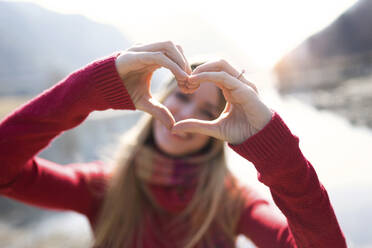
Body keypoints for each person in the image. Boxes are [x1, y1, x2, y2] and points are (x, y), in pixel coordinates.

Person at [0, 41, 346, 248]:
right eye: (182, 96)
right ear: (158, 98)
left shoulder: (233, 203)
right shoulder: (102, 187)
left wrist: (274, 147)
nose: (187, 114)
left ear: (218, 132)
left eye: (208, 111)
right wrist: (90, 90)